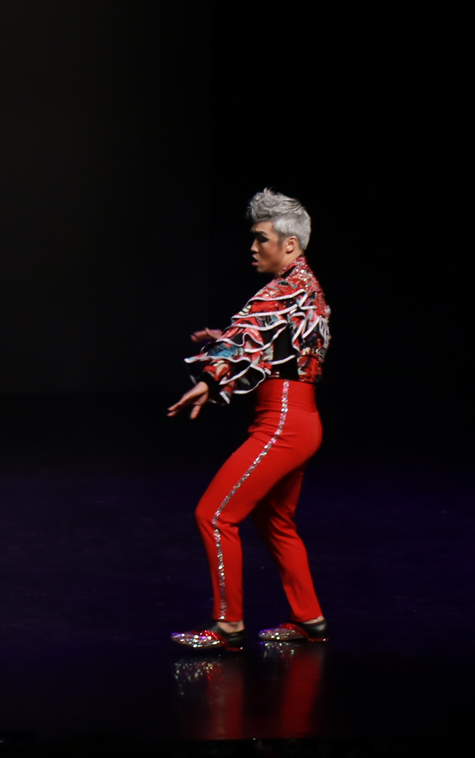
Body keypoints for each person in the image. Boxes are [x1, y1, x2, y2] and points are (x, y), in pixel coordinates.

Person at [165, 189, 331, 652]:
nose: (253, 247)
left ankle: (228, 625)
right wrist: (226, 345)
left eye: (261, 238)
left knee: (214, 515)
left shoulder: (282, 289)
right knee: (275, 521)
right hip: (300, 419)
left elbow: (248, 333)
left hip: (283, 422)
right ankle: (310, 619)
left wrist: (210, 376)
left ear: (290, 245)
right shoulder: (307, 288)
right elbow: (274, 345)